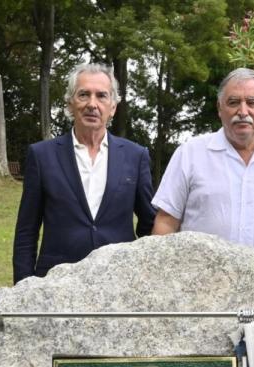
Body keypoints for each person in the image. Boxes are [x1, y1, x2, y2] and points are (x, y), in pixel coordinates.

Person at [151, 68, 254, 312]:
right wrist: (162, 288)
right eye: (233, 102)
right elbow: (166, 223)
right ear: (219, 108)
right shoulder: (190, 155)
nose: (243, 112)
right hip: (199, 300)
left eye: (252, 103)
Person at [13, 63, 155, 282]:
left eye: (101, 96)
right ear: (70, 103)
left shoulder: (135, 156)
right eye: (83, 95)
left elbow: (149, 226)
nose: (92, 104)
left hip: (119, 282)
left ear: (113, 107)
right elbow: (26, 231)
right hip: (55, 283)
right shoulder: (42, 155)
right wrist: (22, 291)